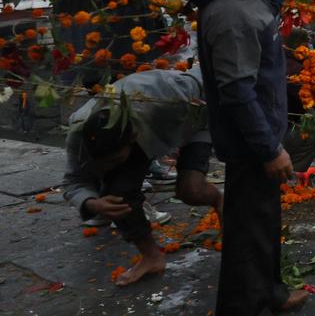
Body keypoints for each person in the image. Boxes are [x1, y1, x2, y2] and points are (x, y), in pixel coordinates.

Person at [187, 0, 309, 314]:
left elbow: (259, 11)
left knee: (262, 222)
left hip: (258, 136)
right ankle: (244, 305)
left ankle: (269, 292)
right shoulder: (232, 16)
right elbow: (237, 92)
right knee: (248, 230)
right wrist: (269, 149)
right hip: (250, 143)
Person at [62, 66, 222, 287]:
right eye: (103, 163)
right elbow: (73, 181)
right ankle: (151, 257)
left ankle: (220, 200)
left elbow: (205, 78)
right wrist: (92, 203)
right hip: (147, 134)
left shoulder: (168, 95)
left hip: (196, 119)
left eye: (115, 160)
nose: (108, 166)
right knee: (117, 196)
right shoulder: (79, 133)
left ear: (132, 139)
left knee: (191, 190)